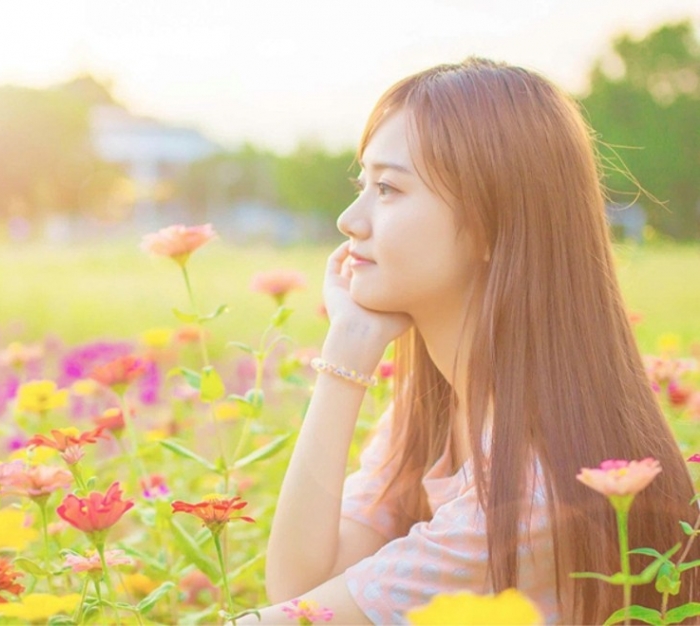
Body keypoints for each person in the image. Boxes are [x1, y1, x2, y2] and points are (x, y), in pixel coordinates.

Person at [240, 58, 699, 624]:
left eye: (387, 188)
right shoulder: (440, 411)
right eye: (362, 185)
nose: (348, 220)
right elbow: (299, 587)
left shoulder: (528, 493)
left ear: (490, 224)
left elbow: (297, 618)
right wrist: (348, 348)